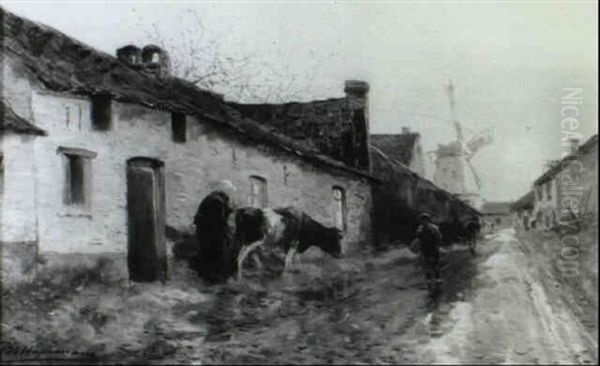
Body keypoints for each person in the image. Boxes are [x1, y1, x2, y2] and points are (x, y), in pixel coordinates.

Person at [190, 180, 237, 283]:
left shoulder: (212, 198)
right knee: (215, 256)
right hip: (213, 235)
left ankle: (209, 277)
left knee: (207, 254)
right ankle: (214, 279)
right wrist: (227, 233)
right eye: (230, 192)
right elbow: (219, 220)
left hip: (206, 233)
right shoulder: (217, 201)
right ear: (225, 191)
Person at [412, 212, 443, 294]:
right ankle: (429, 280)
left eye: (424, 220)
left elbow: (439, 237)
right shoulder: (420, 228)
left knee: (435, 264)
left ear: (427, 220)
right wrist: (417, 246)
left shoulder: (434, 228)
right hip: (424, 249)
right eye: (421, 220)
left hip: (433, 248)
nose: (422, 222)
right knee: (426, 265)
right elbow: (418, 238)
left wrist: (437, 245)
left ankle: (437, 279)